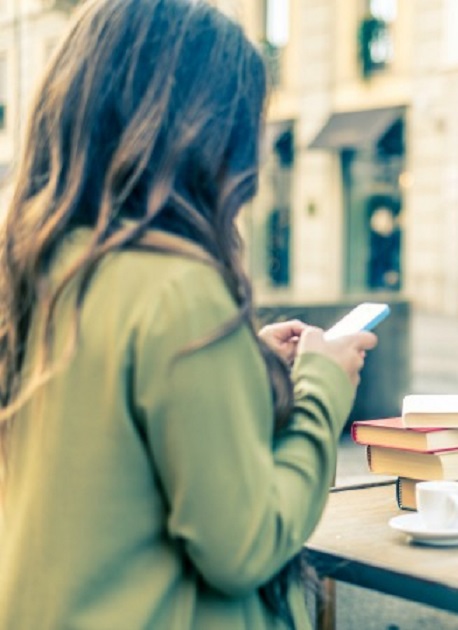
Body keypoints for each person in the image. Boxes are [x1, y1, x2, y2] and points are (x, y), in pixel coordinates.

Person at [0, 0, 377, 628]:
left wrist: (238, 361)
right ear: (208, 130)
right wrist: (321, 386)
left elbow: (103, 430)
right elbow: (246, 545)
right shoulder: (180, 291)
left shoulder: (40, 266)